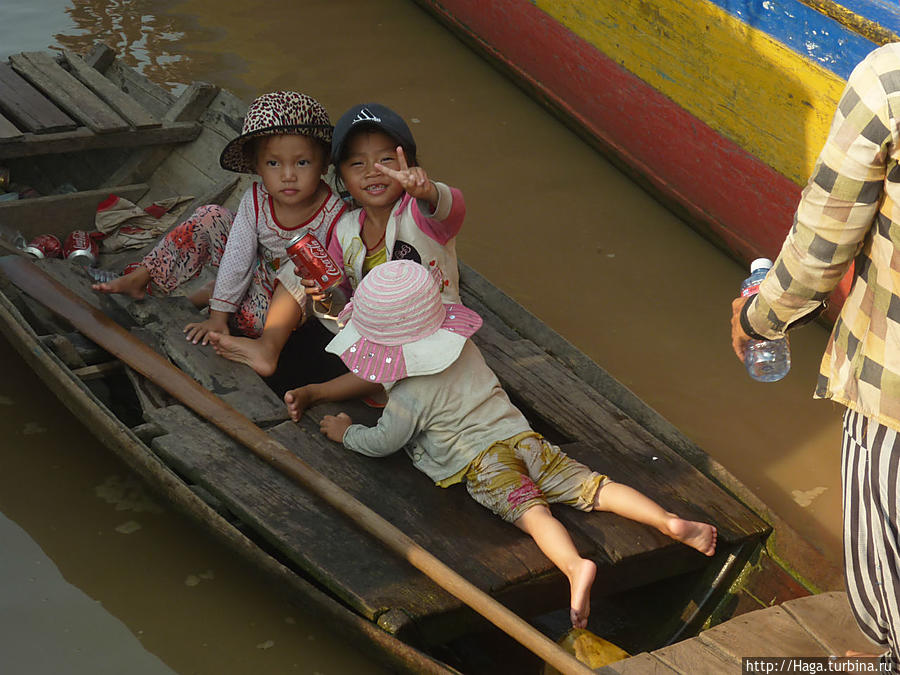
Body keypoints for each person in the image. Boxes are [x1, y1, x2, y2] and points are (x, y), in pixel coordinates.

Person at [320, 260, 717, 629]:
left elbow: (383, 441)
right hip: (523, 439)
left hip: (481, 464)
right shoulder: (465, 349)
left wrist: (346, 432)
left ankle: (575, 567)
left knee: (533, 514)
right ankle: (669, 521)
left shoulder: (407, 396)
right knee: (595, 487)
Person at [730, 43, 900, 671]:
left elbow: (821, 247)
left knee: (889, 585)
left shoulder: (890, 81)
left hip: (893, 392)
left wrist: (758, 316)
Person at [207, 103, 464, 415]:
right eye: (357, 164)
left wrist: (428, 191)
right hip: (363, 323)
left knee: (397, 361)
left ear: (408, 164)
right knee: (302, 267)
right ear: (339, 173)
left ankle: (319, 393)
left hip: (422, 328)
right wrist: (324, 295)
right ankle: (268, 346)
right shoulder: (346, 227)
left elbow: (451, 209)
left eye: (386, 160)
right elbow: (340, 296)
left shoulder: (420, 214)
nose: (373, 171)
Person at [93, 90, 346, 348]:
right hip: (250, 269)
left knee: (256, 320)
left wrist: (224, 312)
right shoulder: (256, 198)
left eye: (302, 162)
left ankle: (214, 295)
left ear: (324, 164)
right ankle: (141, 277)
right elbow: (238, 256)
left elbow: (330, 285)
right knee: (210, 216)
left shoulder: (335, 214)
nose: (288, 175)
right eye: (273, 163)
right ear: (256, 167)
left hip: (284, 300)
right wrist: (217, 318)